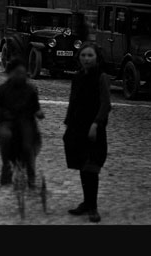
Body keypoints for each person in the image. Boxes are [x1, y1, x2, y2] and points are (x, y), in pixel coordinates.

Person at [62, 42, 112, 223]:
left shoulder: (102, 77)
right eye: (83, 55)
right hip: (77, 127)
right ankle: (86, 202)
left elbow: (106, 104)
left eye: (90, 55)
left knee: (92, 167)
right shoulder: (77, 77)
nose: (86, 59)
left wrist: (96, 124)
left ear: (96, 57)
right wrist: (68, 124)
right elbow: (73, 101)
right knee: (83, 166)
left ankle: (93, 207)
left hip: (94, 129)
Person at [0, 57, 44, 187]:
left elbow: (36, 108)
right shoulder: (3, 89)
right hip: (7, 121)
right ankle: (6, 167)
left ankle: (31, 174)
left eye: (23, 73)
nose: (20, 76)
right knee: (5, 136)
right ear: (11, 73)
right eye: (17, 73)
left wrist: (38, 113)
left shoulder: (30, 89)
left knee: (28, 145)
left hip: (25, 121)